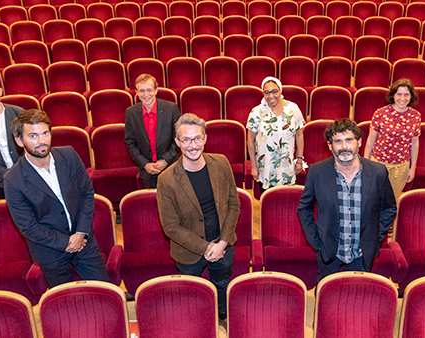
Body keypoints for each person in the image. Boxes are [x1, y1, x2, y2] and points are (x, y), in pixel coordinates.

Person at [4, 109, 109, 288]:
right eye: (33, 136)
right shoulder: (13, 179)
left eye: (45, 133)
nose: (42, 141)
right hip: (49, 251)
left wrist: (80, 233)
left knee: (105, 291)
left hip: (83, 239)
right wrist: (66, 242)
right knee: (65, 302)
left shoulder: (69, 155)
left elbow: (86, 193)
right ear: (19, 140)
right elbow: (28, 226)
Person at [157, 113, 240, 326]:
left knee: (222, 284)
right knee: (192, 292)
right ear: (177, 142)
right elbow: (171, 227)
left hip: (223, 244)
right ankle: (197, 324)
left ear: (205, 138)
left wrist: (222, 242)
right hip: (188, 252)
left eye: (197, 138)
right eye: (186, 139)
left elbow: (234, 204)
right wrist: (206, 247)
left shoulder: (221, 163)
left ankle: (222, 316)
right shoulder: (166, 180)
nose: (192, 145)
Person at [298, 118, 396, 283]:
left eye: (349, 140)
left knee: (355, 299)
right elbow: (304, 208)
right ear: (330, 146)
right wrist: (316, 242)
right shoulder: (317, 171)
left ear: (359, 142)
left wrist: (375, 238)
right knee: (325, 297)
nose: (344, 147)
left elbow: (389, 208)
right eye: (338, 141)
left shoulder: (378, 172)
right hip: (328, 251)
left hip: (362, 253)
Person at [363, 78, 421, 202]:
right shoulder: (380, 113)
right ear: (393, 95)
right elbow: (371, 140)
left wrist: (413, 168)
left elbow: (415, 143)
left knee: (391, 202)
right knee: (373, 200)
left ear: (411, 96)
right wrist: (365, 162)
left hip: (401, 168)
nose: (402, 98)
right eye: (399, 94)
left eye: (406, 95)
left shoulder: (415, 116)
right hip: (378, 165)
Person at [247, 76, 305, 195]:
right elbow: (250, 140)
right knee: (268, 202)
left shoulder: (293, 109)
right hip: (266, 167)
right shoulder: (256, 112)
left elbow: (299, 135)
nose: (271, 96)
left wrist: (299, 160)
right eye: (267, 93)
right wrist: (254, 166)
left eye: (274, 91)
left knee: (286, 202)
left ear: (280, 90)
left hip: (287, 165)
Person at [125, 74, 180, 188]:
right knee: (152, 204)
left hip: (170, 167)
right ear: (136, 92)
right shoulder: (131, 113)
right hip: (148, 172)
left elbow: (179, 138)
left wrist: (165, 160)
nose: (146, 95)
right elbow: (130, 142)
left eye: (149, 90)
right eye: (142, 91)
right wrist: (145, 164)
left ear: (156, 90)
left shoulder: (171, 109)